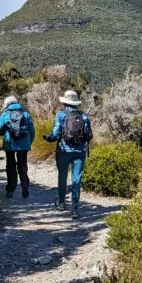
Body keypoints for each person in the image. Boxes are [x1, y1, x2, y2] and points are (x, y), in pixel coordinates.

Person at [43, 90, 93, 219]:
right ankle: (75, 209)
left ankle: (61, 203)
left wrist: (48, 138)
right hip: (80, 152)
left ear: (65, 102)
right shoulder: (84, 116)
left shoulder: (60, 115)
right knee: (76, 179)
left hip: (64, 151)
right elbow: (89, 136)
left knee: (62, 176)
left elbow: (55, 134)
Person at [0, 95, 35, 199]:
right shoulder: (26, 114)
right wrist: (28, 143)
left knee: (11, 166)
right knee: (22, 165)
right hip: (24, 145)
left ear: (7, 104)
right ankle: (25, 186)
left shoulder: (4, 114)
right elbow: (32, 131)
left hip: (10, 144)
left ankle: (10, 190)